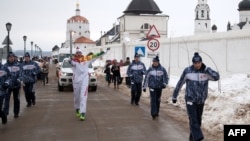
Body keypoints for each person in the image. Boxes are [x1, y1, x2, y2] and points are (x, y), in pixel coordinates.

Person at [172, 52, 220, 141]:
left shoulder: (206, 72)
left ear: (201, 62)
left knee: (197, 121)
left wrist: (207, 69)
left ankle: (192, 138)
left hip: (201, 100)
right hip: (190, 99)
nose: (197, 65)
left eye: (199, 63)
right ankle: (198, 138)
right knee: (193, 119)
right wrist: (174, 96)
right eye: (195, 63)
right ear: (193, 63)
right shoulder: (188, 71)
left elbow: (217, 77)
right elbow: (180, 83)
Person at [70, 47, 110, 121]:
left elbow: (97, 55)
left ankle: (82, 113)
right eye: (77, 53)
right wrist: (70, 60)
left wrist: (105, 51)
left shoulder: (86, 59)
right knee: (77, 97)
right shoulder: (73, 61)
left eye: (80, 53)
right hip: (76, 81)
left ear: (82, 54)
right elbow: (71, 63)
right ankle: (77, 108)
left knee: (83, 96)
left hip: (84, 80)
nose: (78, 54)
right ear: (75, 54)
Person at [3, 52, 22, 118]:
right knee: (6, 100)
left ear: (14, 57)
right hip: (8, 86)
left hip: (16, 85)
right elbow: (3, 76)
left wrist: (19, 79)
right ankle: (5, 114)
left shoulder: (18, 65)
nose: (11, 58)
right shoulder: (4, 66)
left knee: (16, 99)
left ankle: (16, 112)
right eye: (10, 57)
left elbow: (21, 74)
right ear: (8, 58)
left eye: (12, 57)